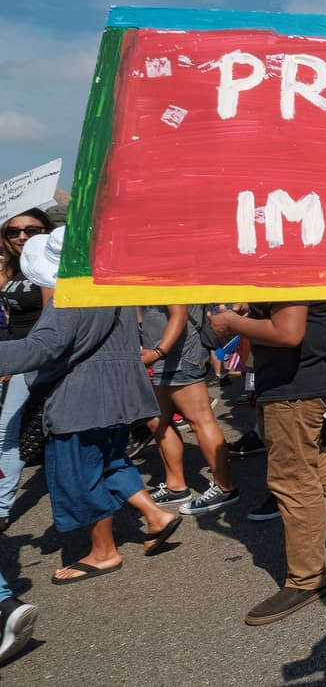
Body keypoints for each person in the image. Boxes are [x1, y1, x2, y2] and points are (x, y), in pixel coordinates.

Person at [0, 228, 183, 582]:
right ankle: (155, 515)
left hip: (82, 399)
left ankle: (103, 552)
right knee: (112, 460)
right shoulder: (113, 290)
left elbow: (41, 349)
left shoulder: (69, 299)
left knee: (79, 474)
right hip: (120, 393)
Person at [208, 301, 326, 626]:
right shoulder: (290, 260)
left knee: (291, 478)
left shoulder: (284, 259)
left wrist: (232, 322)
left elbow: (287, 332)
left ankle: (307, 579)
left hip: (296, 382)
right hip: (296, 378)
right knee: (304, 460)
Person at [137, 305, 239, 515]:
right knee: (158, 420)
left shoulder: (168, 274)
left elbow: (179, 314)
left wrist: (159, 351)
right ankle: (176, 486)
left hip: (178, 355)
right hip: (160, 357)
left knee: (200, 420)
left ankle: (224, 487)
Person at [0, 207, 54, 532]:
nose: (22, 236)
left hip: (37, 357)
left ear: (46, 230)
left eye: (32, 230)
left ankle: (1, 506)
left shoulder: (48, 265)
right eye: (14, 231)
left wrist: (18, 359)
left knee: (8, 429)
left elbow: (52, 320)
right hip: (21, 357)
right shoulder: (16, 267)